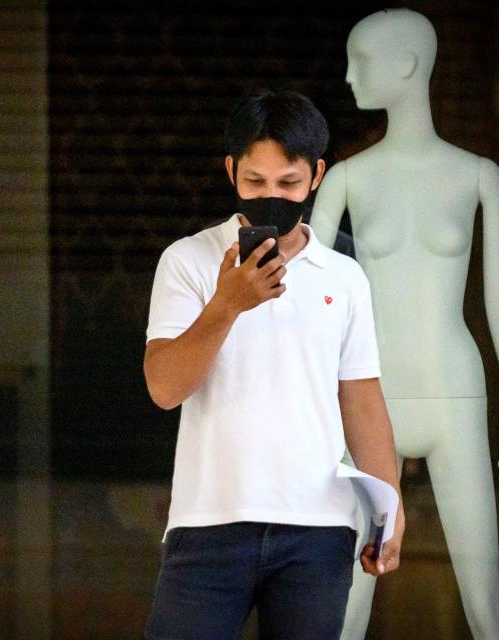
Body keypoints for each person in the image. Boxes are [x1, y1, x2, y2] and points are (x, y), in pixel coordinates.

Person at [142, 88, 405, 640]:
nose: (271, 197)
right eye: (255, 182)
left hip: (317, 529)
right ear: (231, 171)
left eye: (287, 183)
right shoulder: (187, 261)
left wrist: (391, 505)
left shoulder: (344, 276)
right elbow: (164, 387)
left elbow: (361, 399)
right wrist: (227, 305)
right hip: (208, 524)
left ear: (316, 176)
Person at [310, 9, 499, 640]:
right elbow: (309, 301)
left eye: (362, 61)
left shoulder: (479, 176)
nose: (350, 76)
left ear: (407, 67)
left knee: (486, 606)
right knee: (345, 609)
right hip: (366, 392)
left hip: (452, 390)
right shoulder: (346, 180)